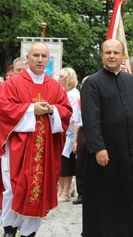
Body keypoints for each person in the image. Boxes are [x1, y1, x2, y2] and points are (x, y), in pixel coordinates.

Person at [0, 42, 72, 237]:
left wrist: (52, 110)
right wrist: (31, 109)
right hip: (18, 146)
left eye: (44, 56)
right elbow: (5, 109)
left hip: (45, 150)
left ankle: (28, 232)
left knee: (39, 189)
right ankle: (9, 228)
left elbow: (67, 111)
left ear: (48, 59)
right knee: (13, 188)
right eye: (36, 55)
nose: (40, 60)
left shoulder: (54, 86)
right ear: (28, 57)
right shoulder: (13, 84)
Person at [80, 39, 133, 237]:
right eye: (108, 52)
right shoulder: (93, 83)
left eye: (116, 52)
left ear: (123, 56)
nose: (112, 56)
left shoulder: (130, 80)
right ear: (102, 55)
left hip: (132, 150)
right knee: (108, 199)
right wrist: (99, 147)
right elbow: (91, 120)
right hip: (107, 152)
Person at [57, 67, 80, 203]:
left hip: (70, 133)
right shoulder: (63, 93)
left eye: (61, 77)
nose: (59, 79)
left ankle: (66, 190)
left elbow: (72, 116)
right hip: (61, 132)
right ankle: (60, 189)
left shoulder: (74, 95)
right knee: (60, 163)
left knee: (67, 163)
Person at [72, 75, 89, 205]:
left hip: (97, 130)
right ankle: (81, 193)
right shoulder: (79, 100)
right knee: (80, 164)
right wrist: (75, 141)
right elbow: (76, 122)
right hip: (83, 131)